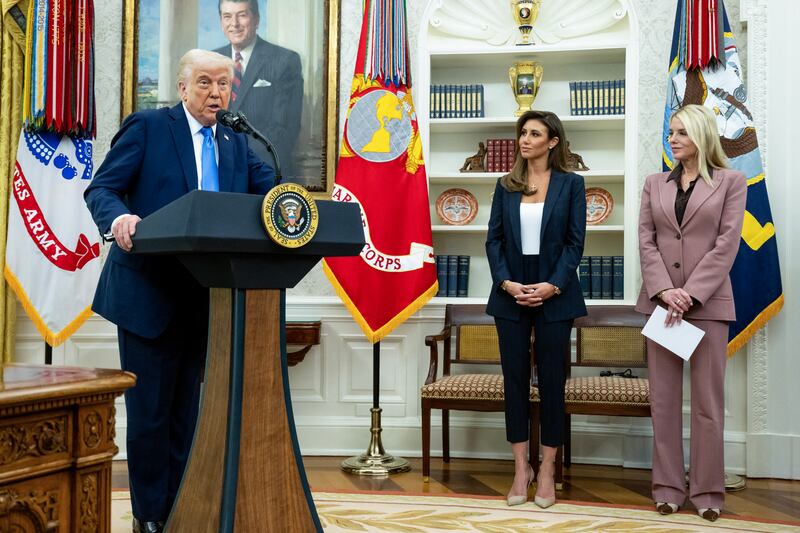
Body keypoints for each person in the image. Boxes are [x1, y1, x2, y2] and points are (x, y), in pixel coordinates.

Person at [84, 49, 275, 533]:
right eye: (206, 82)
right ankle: (149, 516)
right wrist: (119, 218)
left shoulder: (234, 142)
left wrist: (292, 204)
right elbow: (102, 189)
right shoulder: (149, 127)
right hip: (148, 295)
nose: (217, 92)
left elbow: (271, 192)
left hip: (204, 297)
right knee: (150, 416)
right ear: (183, 87)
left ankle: (183, 509)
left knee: (188, 415)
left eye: (224, 84)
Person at [636, 104, 746, 522]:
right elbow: (646, 240)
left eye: (681, 132)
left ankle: (708, 493)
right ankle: (666, 488)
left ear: (701, 135)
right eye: (670, 132)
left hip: (707, 305)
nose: (673, 139)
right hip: (661, 305)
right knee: (663, 403)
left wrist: (690, 294)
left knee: (707, 405)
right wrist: (665, 290)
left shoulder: (732, 183)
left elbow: (726, 244)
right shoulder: (653, 184)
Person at [485, 110, 587, 508]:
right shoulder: (505, 185)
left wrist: (552, 285)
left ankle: (546, 470)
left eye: (534, 133)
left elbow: (574, 244)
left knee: (550, 383)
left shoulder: (571, 184)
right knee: (513, 381)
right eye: (522, 133)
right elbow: (493, 241)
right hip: (510, 291)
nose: (525, 140)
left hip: (555, 291)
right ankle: (519, 469)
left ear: (553, 141)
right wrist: (507, 283)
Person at [214, 0, 303, 179]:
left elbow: (284, 129)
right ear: (221, 22)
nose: (234, 24)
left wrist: (233, 155)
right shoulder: (211, 60)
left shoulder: (284, 61)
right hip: (217, 169)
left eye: (242, 15)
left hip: (264, 171)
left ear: (256, 19)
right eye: (227, 16)